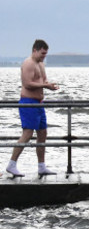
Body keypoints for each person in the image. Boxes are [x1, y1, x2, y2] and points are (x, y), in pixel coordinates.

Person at [5, 39, 59, 177]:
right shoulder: (28, 63)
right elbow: (27, 83)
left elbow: (43, 80)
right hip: (28, 102)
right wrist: (45, 86)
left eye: (45, 54)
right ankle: (12, 164)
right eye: (42, 53)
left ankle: (41, 166)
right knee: (27, 133)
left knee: (42, 133)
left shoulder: (40, 64)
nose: (43, 56)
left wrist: (49, 85)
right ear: (35, 50)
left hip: (39, 103)